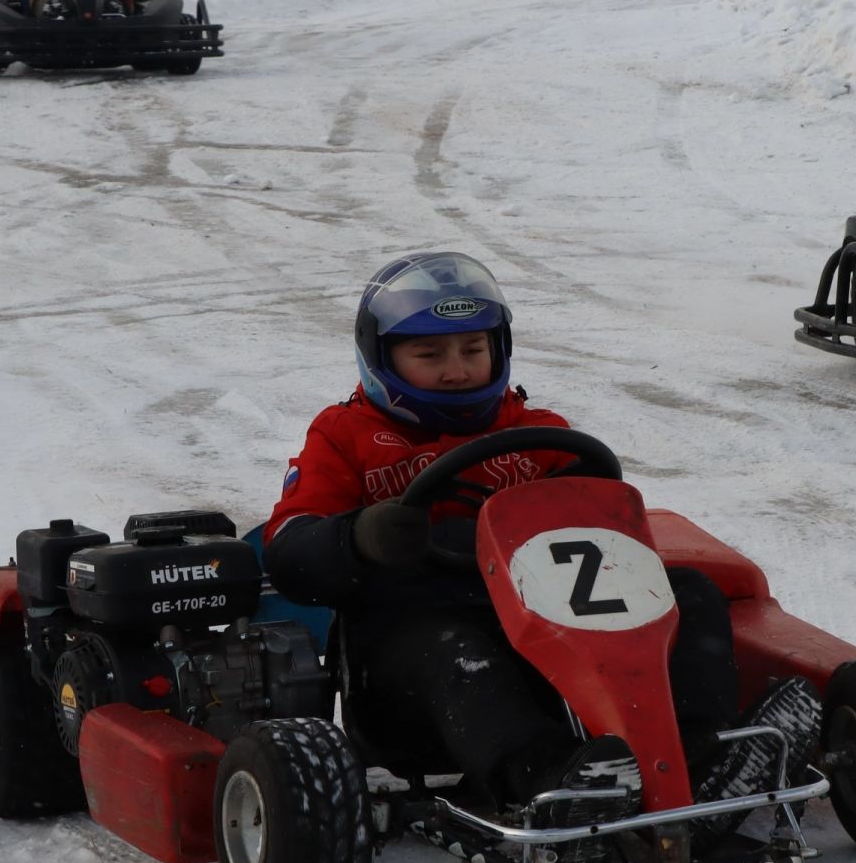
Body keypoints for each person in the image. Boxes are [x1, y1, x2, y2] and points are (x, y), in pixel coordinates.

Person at [263, 252, 819, 827]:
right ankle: (549, 784)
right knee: (459, 650)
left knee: (690, 593)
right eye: (430, 355)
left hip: (547, 638)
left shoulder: (540, 433)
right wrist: (361, 536)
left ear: (498, 350)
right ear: (382, 356)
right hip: (411, 659)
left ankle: (704, 758)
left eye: (472, 351)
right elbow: (287, 552)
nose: (456, 371)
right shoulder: (343, 437)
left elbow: (605, 540)